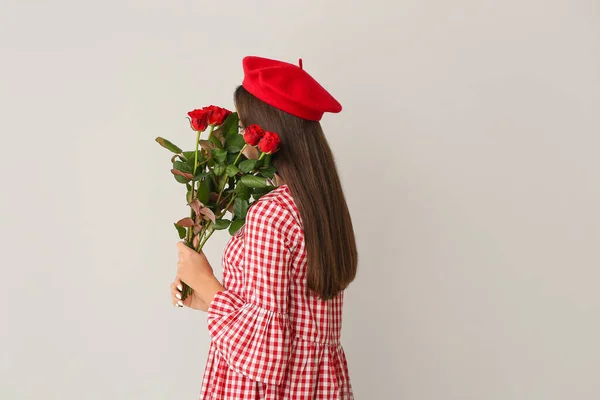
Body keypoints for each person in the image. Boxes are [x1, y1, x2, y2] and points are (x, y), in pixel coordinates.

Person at [170, 56, 358, 400]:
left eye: (245, 127)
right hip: (316, 387)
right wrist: (209, 301)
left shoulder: (270, 214)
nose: (240, 137)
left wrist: (207, 282)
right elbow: (291, 317)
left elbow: (266, 354)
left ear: (272, 133)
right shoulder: (318, 206)